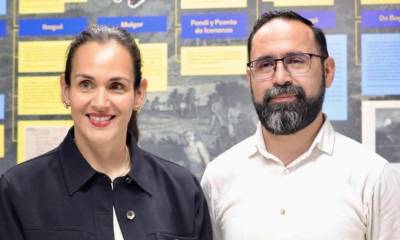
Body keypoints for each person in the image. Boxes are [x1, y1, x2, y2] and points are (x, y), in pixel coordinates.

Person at [201, 10, 400, 240]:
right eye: (265, 64)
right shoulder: (218, 177)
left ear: (328, 71)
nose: (280, 78)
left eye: (296, 61)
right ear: (250, 79)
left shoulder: (372, 177)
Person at [0, 25, 212, 240]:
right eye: (86, 84)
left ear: (139, 93)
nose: (100, 103)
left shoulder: (183, 191)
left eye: (116, 86)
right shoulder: (17, 192)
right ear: (65, 90)